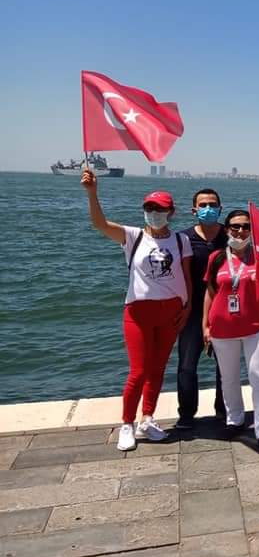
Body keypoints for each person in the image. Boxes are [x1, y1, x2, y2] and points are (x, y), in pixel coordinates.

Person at [81, 169, 192, 451]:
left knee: (157, 369)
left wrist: (187, 306)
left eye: (160, 209)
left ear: (171, 212)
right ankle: (127, 424)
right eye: (149, 208)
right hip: (138, 313)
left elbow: (186, 276)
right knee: (139, 371)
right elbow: (99, 224)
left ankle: (148, 418)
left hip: (171, 312)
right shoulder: (133, 236)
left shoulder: (181, 240)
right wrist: (92, 193)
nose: (154, 213)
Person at [202, 210, 259, 454]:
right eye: (235, 227)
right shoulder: (216, 258)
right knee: (229, 377)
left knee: (258, 376)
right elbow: (210, 292)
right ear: (226, 230)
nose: (240, 231)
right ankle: (235, 420)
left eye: (245, 226)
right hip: (223, 328)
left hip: (256, 326)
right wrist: (205, 325)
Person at [175, 188, 227, 430]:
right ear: (194, 210)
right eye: (203, 205)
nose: (208, 208)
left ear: (220, 209)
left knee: (225, 366)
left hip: (225, 312)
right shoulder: (182, 239)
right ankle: (186, 414)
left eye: (213, 204)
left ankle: (223, 411)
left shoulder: (231, 236)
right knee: (187, 364)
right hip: (192, 311)